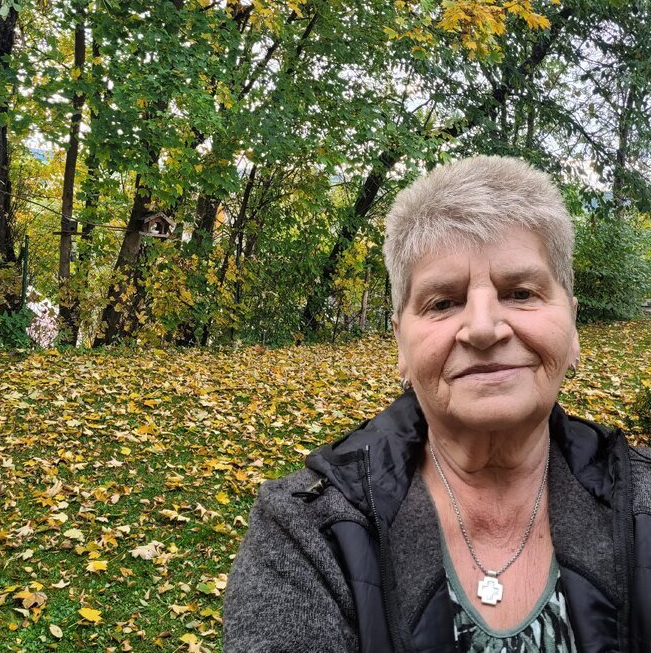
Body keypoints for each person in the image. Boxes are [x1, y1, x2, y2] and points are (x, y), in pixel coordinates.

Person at [223, 156, 651, 652]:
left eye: (520, 293)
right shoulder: (308, 530)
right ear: (401, 345)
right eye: (443, 302)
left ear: (572, 327)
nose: (484, 329)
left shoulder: (642, 504)